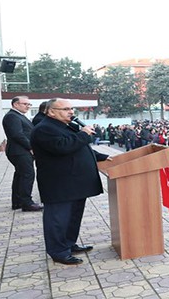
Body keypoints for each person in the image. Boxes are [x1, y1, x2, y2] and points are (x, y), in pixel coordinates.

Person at [30, 98, 111, 265]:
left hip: (74, 182)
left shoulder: (63, 126)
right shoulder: (44, 128)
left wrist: (104, 157)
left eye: (71, 108)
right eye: (65, 109)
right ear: (51, 111)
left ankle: (68, 244)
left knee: (73, 217)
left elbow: (79, 148)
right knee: (58, 219)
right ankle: (58, 251)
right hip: (59, 183)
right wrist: (83, 134)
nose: (71, 112)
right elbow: (62, 147)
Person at [2, 96, 42, 212]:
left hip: (20, 151)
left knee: (20, 175)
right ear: (15, 104)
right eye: (25, 104)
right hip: (19, 151)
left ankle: (18, 202)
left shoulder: (18, 116)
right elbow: (17, 134)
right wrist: (31, 147)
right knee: (27, 175)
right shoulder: (11, 116)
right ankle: (27, 203)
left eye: (29, 104)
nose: (28, 106)